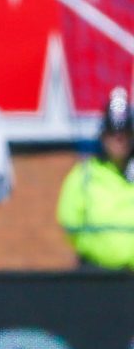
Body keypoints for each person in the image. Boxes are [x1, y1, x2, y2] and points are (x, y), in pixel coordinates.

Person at [57, 87, 134, 270]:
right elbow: (69, 222)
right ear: (102, 135)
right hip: (95, 274)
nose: (119, 139)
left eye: (125, 133)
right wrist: (97, 246)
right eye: (113, 133)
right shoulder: (85, 175)